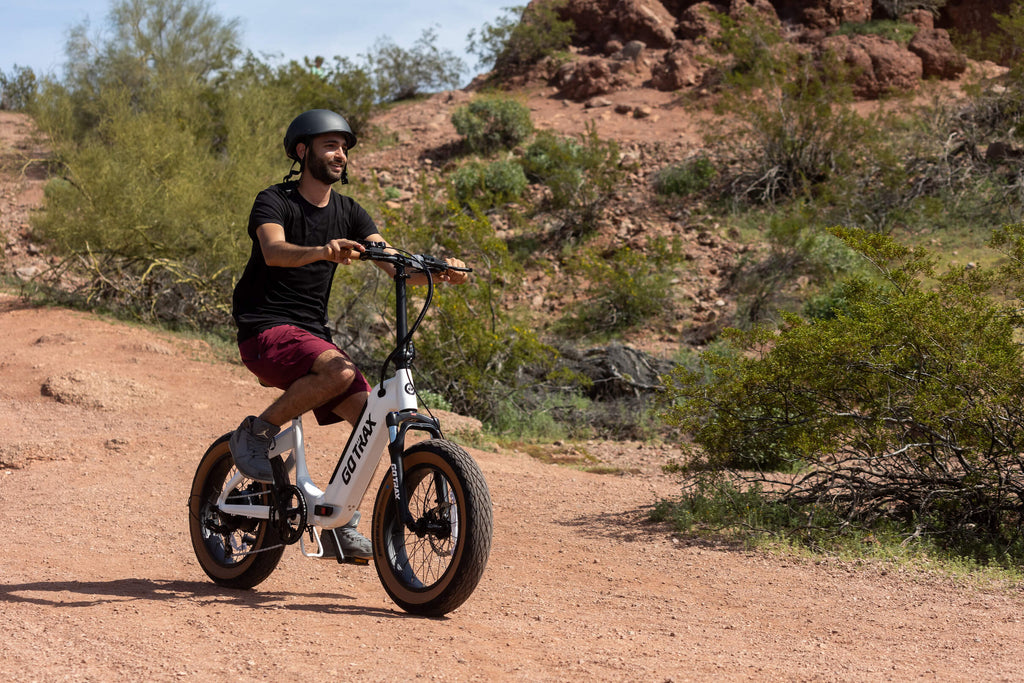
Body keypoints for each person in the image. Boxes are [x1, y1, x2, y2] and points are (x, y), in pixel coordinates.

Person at [229, 109, 469, 561]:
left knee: (372, 420)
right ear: (303, 152)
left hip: (312, 336)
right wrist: (323, 250)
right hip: (264, 329)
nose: (340, 154)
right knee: (340, 371)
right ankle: (258, 432)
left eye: (343, 147)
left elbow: (389, 259)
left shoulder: (349, 211)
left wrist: (439, 269)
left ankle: (338, 519)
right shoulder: (274, 200)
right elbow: (274, 251)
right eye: (329, 145)